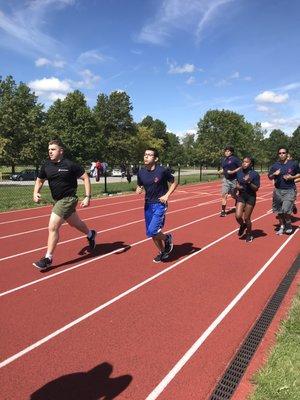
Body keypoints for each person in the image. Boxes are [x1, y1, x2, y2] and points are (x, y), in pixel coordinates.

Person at [33, 139, 97, 270]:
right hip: (57, 201)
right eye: (49, 149)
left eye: (53, 149)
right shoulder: (46, 166)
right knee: (75, 223)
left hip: (68, 199)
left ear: (61, 151)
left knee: (52, 227)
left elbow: (85, 177)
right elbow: (39, 180)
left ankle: (48, 258)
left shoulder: (70, 165)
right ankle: (91, 234)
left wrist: (87, 197)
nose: (50, 152)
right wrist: (35, 193)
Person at [136, 148, 178, 263]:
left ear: (155, 159)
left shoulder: (162, 171)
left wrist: (167, 195)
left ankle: (167, 238)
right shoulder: (141, 172)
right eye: (145, 154)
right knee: (152, 233)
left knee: (153, 230)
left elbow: (174, 182)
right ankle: (163, 252)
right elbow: (139, 185)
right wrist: (138, 189)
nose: (146, 157)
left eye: (149, 155)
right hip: (148, 205)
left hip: (160, 204)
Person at [268, 147, 300, 235]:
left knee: (285, 209)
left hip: (289, 190)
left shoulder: (293, 164)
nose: (282, 154)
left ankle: (289, 225)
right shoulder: (275, 165)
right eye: (280, 153)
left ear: (287, 154)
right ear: (278, 154)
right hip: (278, 190)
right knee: (279, 211)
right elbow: (269, 176)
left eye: (283, 153)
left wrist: (292, 177)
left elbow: (298, 173)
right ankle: (282, 226)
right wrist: (274, 174)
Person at [235, 157, 260, 243]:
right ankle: (243, 226)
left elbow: (256, 188)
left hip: (251, 197)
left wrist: (249, 182)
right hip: (241, 196)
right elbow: (237, 183)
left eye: (246, 162)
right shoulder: (239, 172)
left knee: (246, 217)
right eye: (243, 162)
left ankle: (249, 234)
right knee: (238, 216)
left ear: (251, 164)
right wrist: (237, 186)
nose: (244, 163)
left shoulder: (255, 174)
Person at [219, 146, 242, 217]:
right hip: (226, 179)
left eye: (228, 151)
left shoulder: (235, 159)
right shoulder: (223, 160)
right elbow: (225, 169)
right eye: (225, 151)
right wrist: (221, 171)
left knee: (233, 195)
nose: (226, 152)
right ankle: (223, 211)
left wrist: (233, 171)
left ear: (231, 152)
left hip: (234, 180)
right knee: (224, 195)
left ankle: (238, 200)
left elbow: (241, 166)